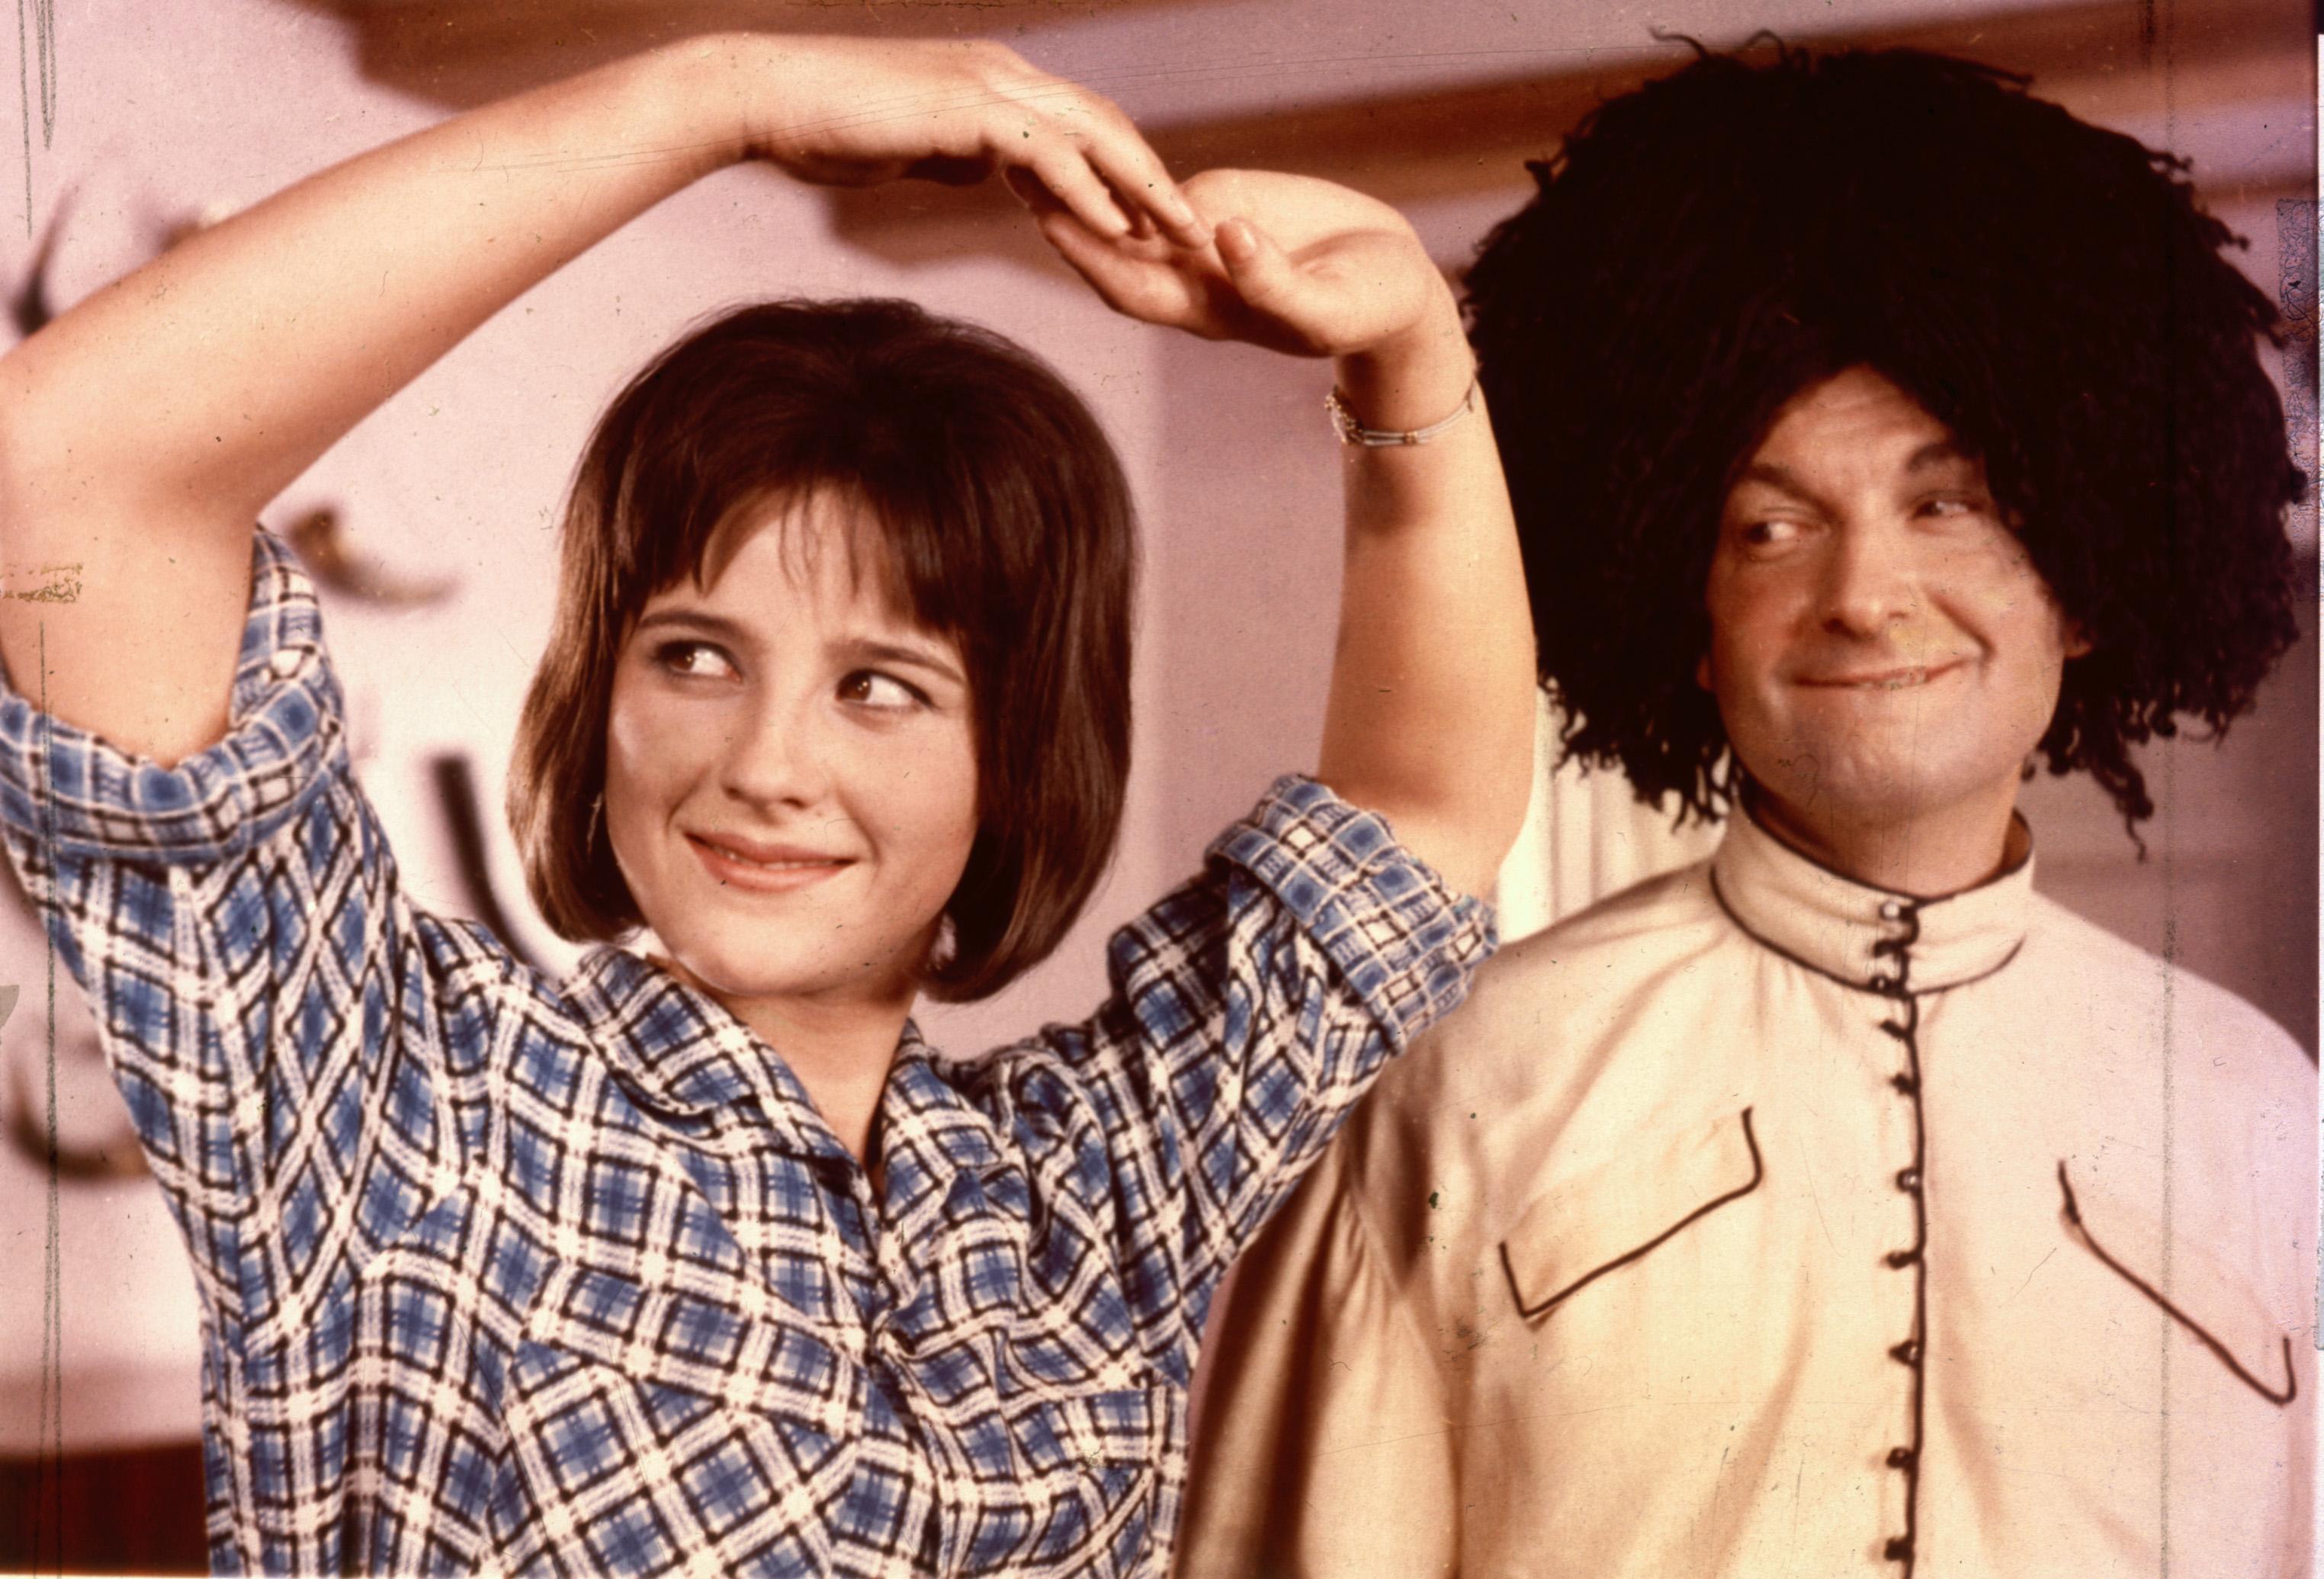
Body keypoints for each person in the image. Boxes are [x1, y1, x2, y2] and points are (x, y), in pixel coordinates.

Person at [0, 34, 1535, 1575]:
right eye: (695, 655)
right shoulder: (415, 1121)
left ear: (1017, 759)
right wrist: (721, 96)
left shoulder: (1083, 1194)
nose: (765, 763)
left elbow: (1418, 821)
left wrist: (1410, 347)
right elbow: (68, 475)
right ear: (600, 692)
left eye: (880, 685)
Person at [1178, 43, 2315, 1579]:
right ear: (1690, 622)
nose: (1864, 596)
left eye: (1946, 505)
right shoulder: (1459, 1079)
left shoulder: (2258, 1108)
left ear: (2083, 582)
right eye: (1772, 527)